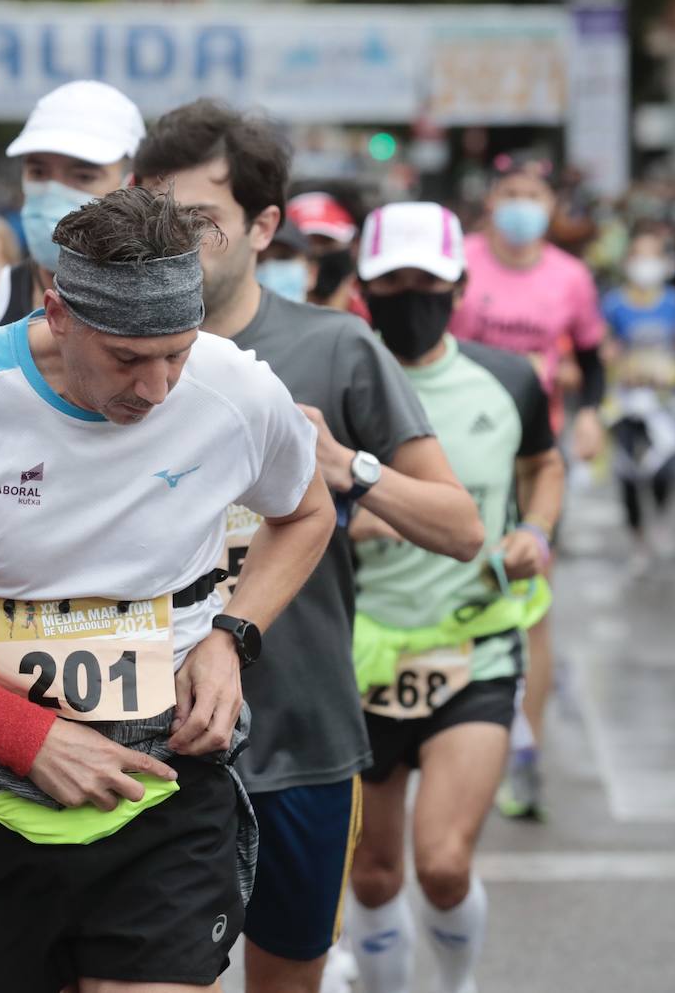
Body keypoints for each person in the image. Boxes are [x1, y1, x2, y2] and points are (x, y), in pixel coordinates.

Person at [0, 185, 335, 993]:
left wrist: (233, 635)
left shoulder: (236, 391)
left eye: (177, 353)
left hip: (168, 782)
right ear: (57, 311)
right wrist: (28, 735)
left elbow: (306, 512)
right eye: (127, 357)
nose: (156, 388)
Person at [133, 100, 484, 993]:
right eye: (161, 217)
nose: (180, 242)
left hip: (303, 743)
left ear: (264, 226)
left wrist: (345, 465)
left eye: (203, 222)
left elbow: (459, 525)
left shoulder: (335, 346)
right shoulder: (111, 354)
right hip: (142, 742)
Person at [340, 203, 565, 993]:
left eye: (427, 281)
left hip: (475, 647)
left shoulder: (506, 379)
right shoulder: (337, 380)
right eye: (391, 281)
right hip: (359, 652)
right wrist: (345, 525)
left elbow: (547, 463)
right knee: (371, 875)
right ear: (362, 289)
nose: (411, 295)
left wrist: (535, 530)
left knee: (440, 862)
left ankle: (459, 982)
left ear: (460, 286)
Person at [449, 154, 607, 821]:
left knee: (532, 602)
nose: (520, 204)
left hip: (533, 457)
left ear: (550, 205)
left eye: (532, 195)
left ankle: (526, 754)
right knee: (460, 591)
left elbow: (592, 359)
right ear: (490, 203)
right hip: (462, 454)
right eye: (508, 192)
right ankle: (443, 734)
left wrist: (593, 410)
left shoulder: (569, 278)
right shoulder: (462, 262)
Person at [0, 80, 145, 348]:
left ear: (131, 186)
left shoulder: (170, 319)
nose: (53, 190)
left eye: (84, 176)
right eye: (38, 172)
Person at [601, 224, 675, 573]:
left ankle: (659, 519)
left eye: (653, 256)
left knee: (663, 468)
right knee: (628, 472)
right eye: (639, 255)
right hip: (627, 401)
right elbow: (605, 348)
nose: (646, 263)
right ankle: (639, 540)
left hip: (666, 400)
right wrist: (616, 365)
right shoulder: (614, 302)